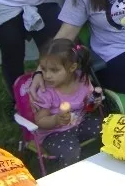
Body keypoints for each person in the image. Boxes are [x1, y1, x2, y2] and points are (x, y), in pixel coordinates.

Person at [30, 40, 103, 168]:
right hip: (53, 133)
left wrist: (94, 102)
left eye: (54, 70)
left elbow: (88, 106)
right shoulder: (46, 91)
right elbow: (40, 121)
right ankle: (70, 176)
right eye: (43, 69)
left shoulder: (82, 80)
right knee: (70, 151)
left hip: (79, 123)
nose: (47, 76)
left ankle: (105, 163)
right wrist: (55, 119)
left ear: (72, 68)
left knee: (106, 127)